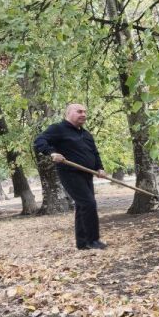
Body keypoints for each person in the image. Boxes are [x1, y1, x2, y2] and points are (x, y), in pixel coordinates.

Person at [33, 103, 107, 250]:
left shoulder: (86, 134)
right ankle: (93, 240)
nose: (83, 115)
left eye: (85, 112)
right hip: (70, 173)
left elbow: (94, 152)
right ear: (68, 113)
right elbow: (39, 141)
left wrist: (100, 168)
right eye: (79, 111)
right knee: (88, 204)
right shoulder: (58, 129)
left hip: (87, 174)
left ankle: (82, 243)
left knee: (82, 206)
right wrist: (52, 153)